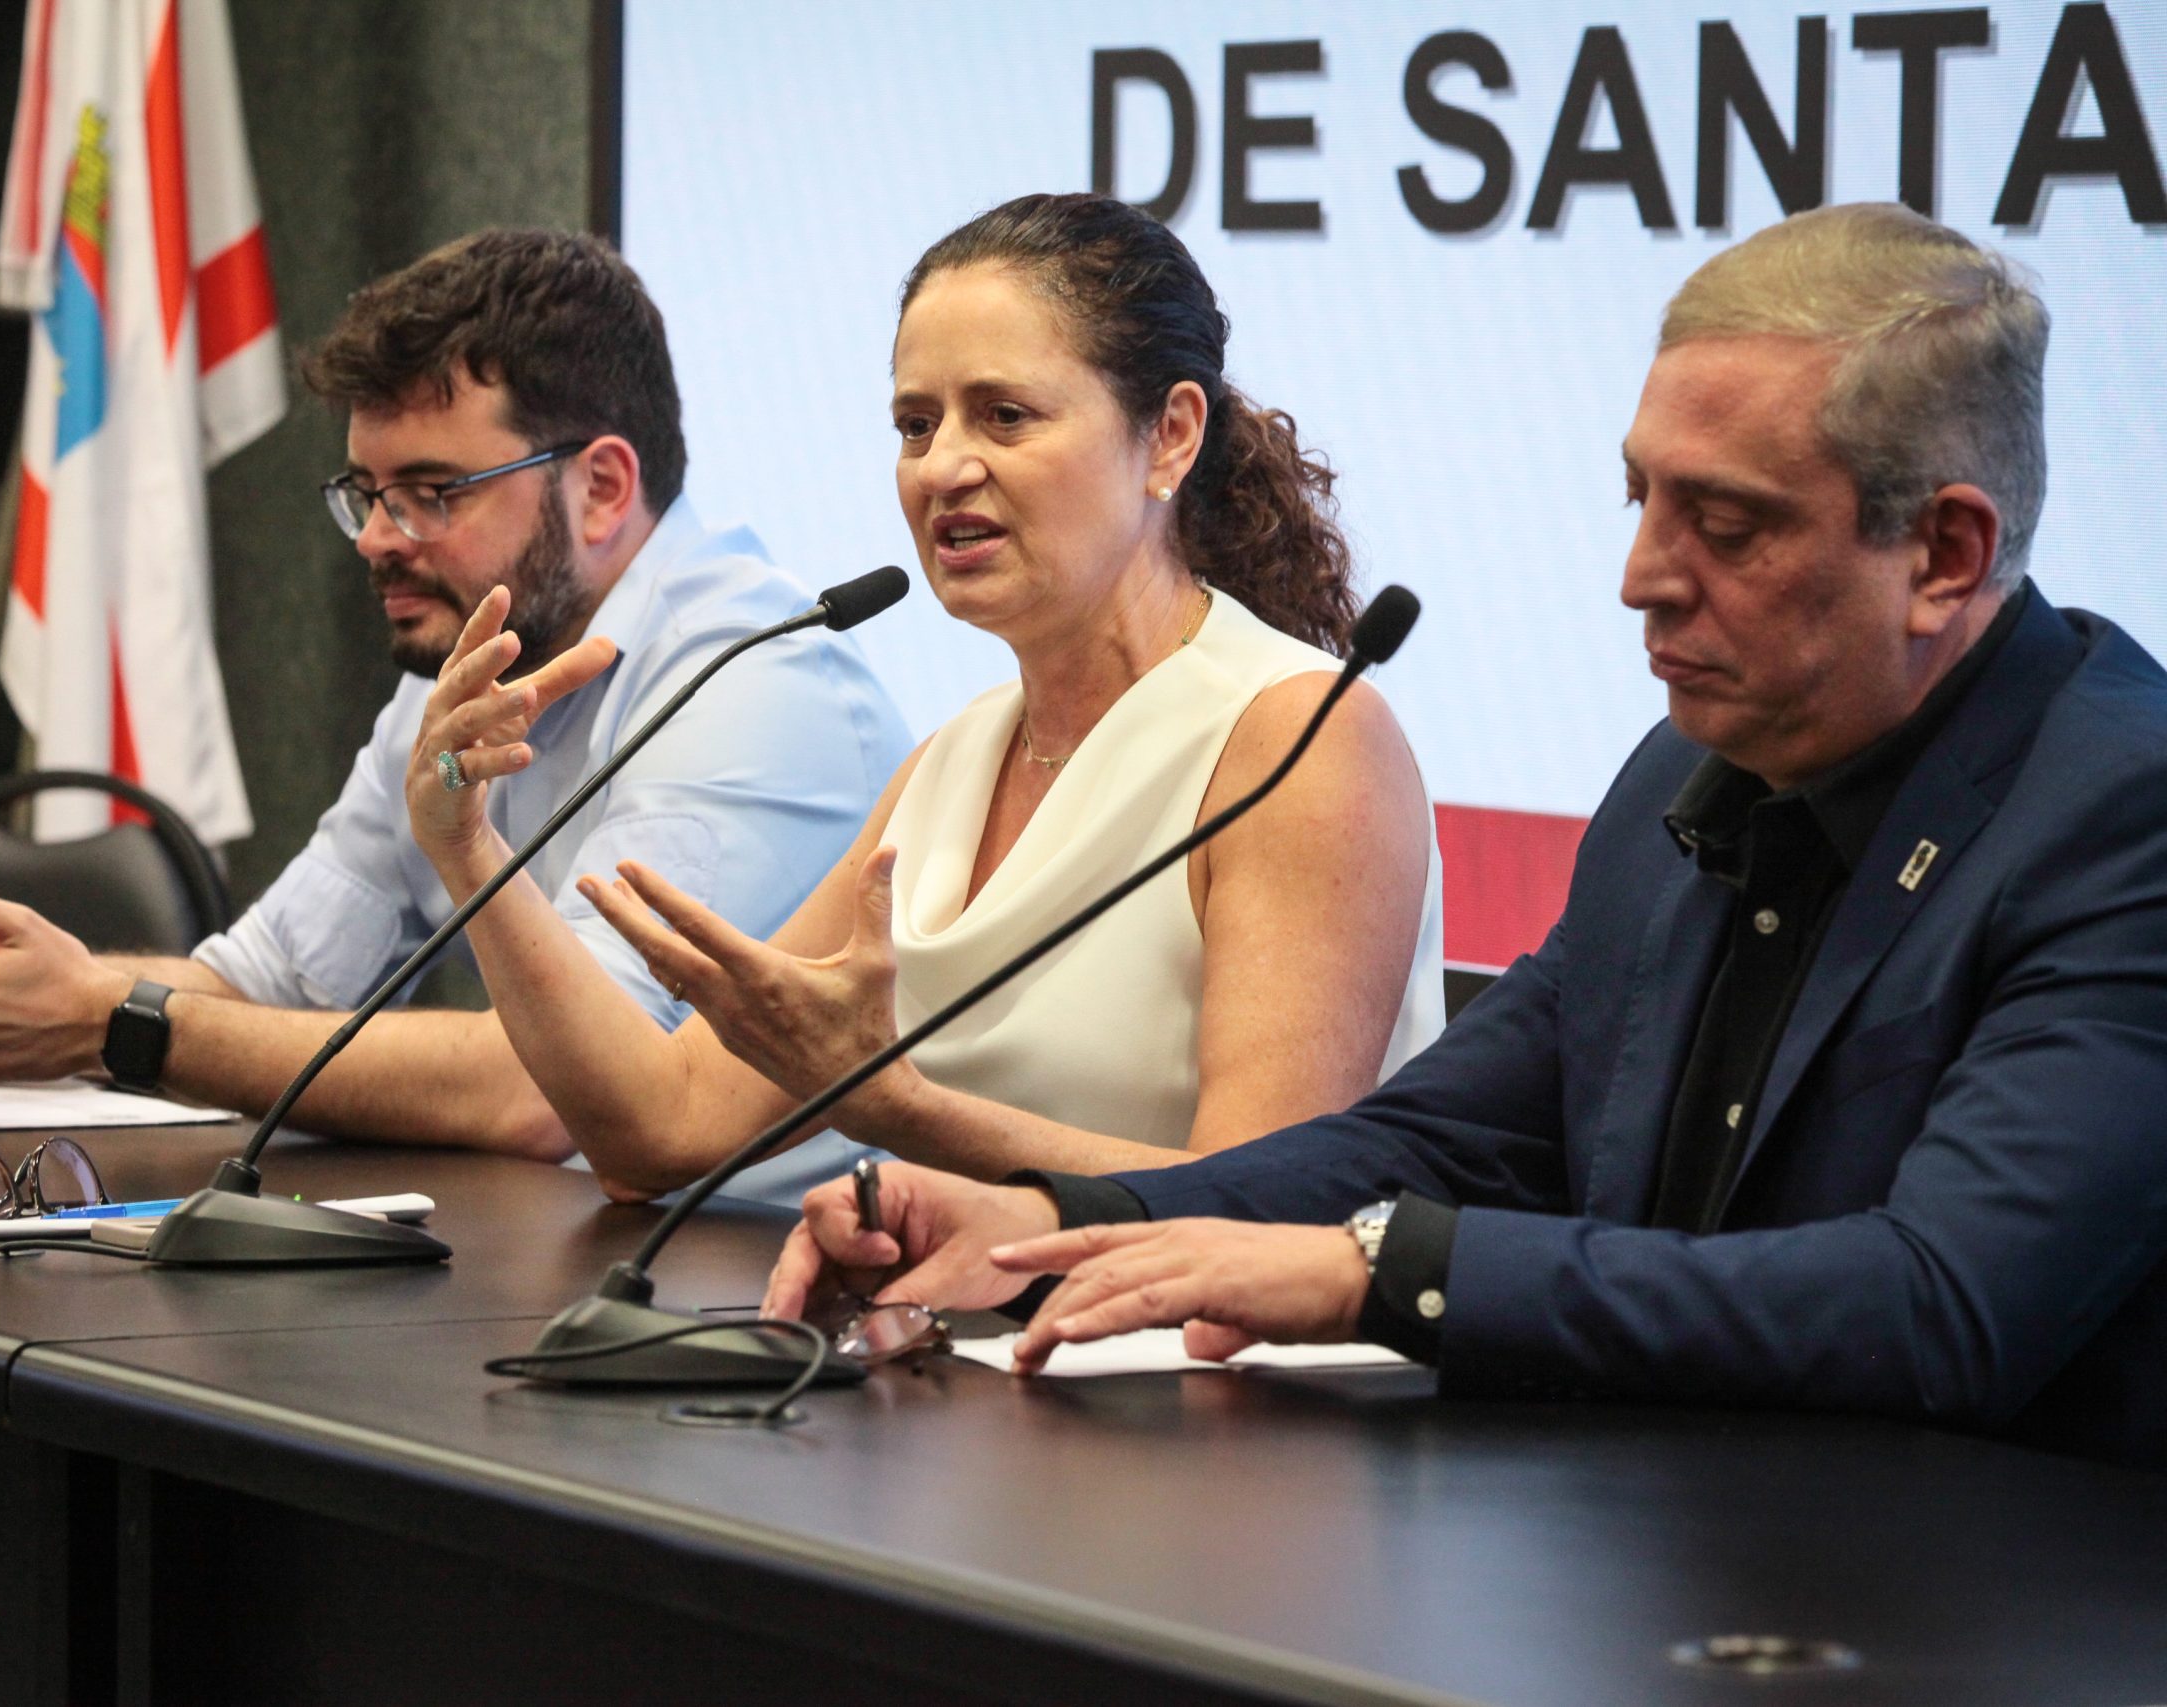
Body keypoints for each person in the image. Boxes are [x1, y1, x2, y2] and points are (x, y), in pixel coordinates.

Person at [763, 204, 2167, 1469]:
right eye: (1642, 498)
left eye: (1725, 523)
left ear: (1947, 556)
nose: (1641, 580)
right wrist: (1054, 1219)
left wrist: (1383, 1272)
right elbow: (1439, 1136)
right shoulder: (1688, 773)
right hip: (1681, 1545)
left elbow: (1944, 1302)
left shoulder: (2121, 815)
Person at [0, 230, 908, 1188]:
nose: (375, 538)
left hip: (782, 1329)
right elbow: (263, 988)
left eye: (429, 493)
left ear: (602, 486)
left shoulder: (761, 691)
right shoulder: (458, 677)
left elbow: (545, 1097)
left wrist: (108, 1020)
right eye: (367, 493)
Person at [405, 193, 1445, 1198]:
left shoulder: (1302, 738)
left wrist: (894, 1107)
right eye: (914, 424)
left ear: (1170, 434)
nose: (942, 467)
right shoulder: (955, 762)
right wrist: (470, 852)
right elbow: (661, 1132)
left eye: (1004, 416)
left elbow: (1265, 1201)